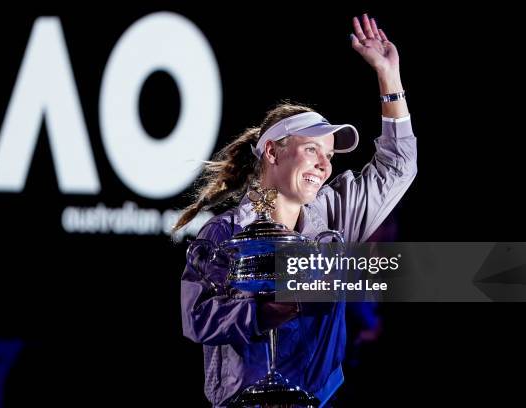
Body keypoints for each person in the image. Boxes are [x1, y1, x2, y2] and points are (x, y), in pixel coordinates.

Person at [175, 14, 416, 407]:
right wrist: (267, 313)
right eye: (311, 150)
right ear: (272, 151)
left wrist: (390, 78)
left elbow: (398, 165)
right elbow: (197, 317)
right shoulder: (224, 234)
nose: (325, 164)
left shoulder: (335, 216)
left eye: (329, 155)